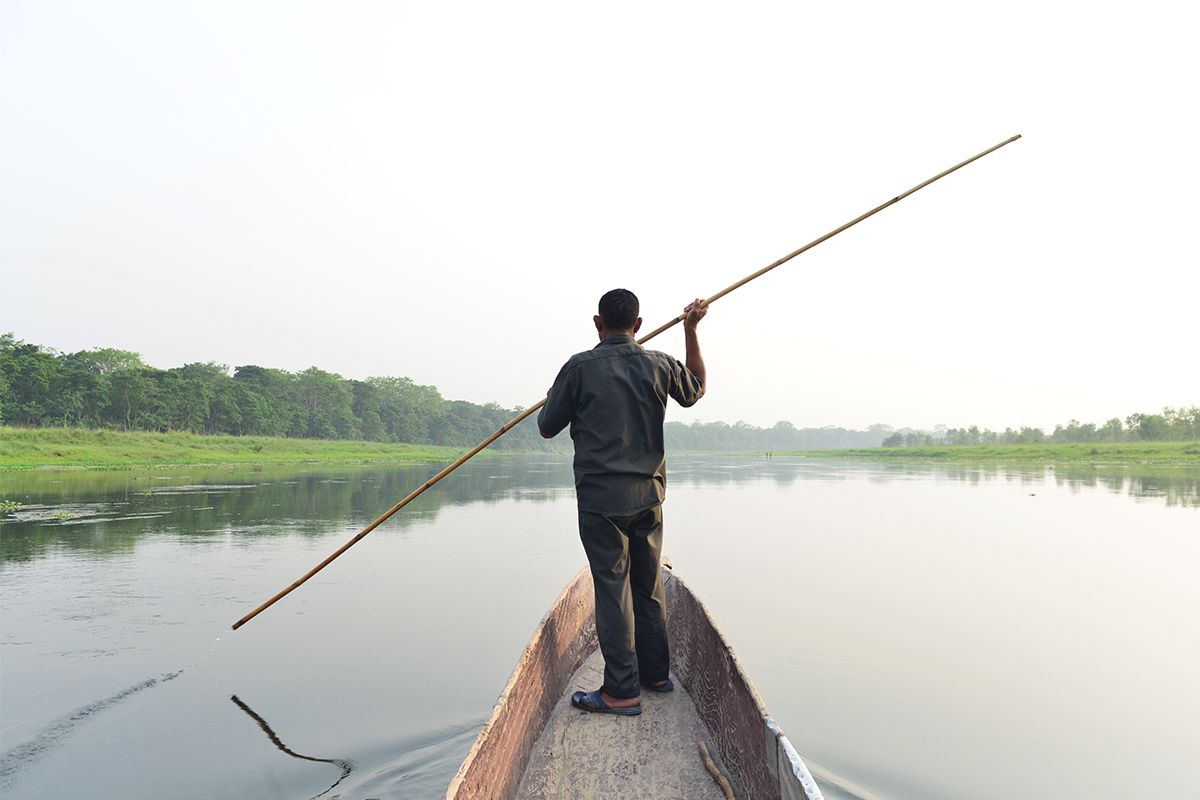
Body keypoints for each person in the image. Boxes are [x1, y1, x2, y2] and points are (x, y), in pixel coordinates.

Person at [538, 288, 707, 716]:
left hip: (600, 501)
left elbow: (546, 426)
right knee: (647, 585)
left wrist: (557, 391)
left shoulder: (578, 368)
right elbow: (697, 389)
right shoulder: (659, 363)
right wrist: (690, 331)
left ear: (598, 323)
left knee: (613, 589)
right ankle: (655, 675)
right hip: (649, 495)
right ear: (638, 325)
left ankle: (621, 691)